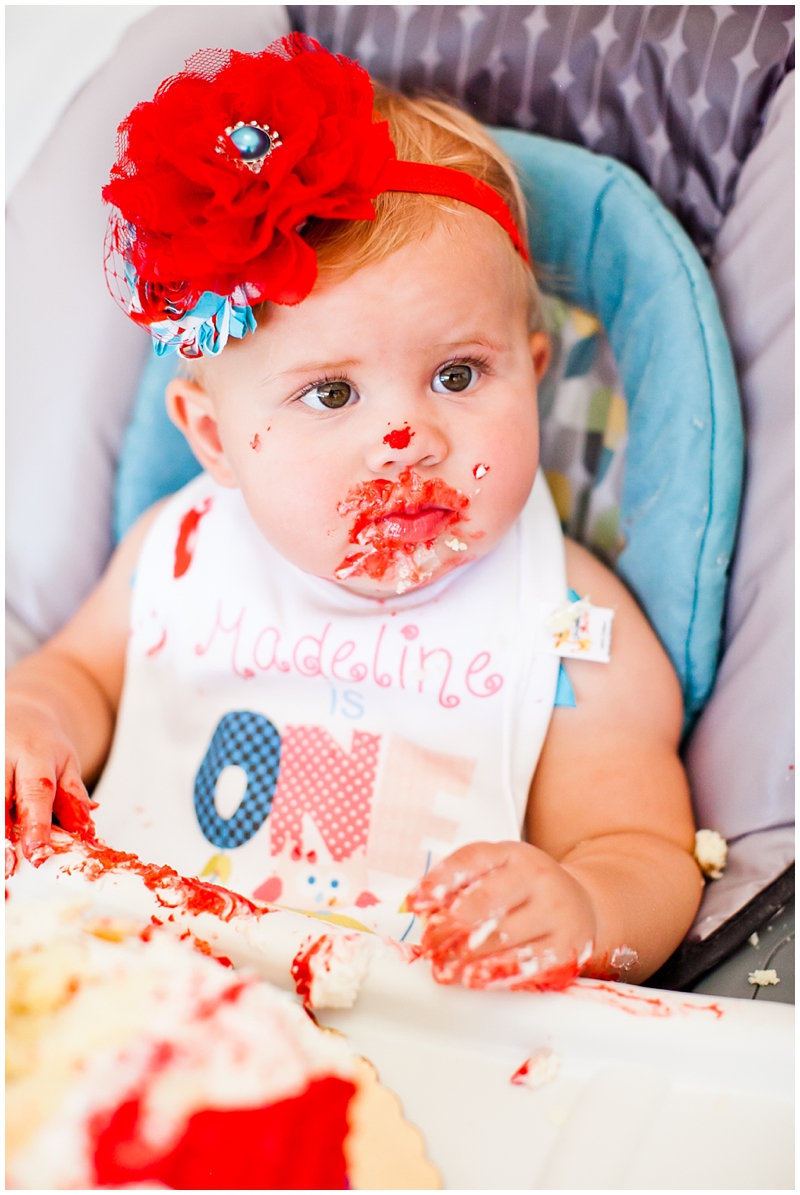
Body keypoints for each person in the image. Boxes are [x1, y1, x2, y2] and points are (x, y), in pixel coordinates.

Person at [5, 35, 702, 989]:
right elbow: (79, 676)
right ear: (212, 438)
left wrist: (588, 909)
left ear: (533, 379)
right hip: (122, 983)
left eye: (458, 375)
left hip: (424, 1043)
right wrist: (32, 718)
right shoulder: (178, 556)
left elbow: (644, 851)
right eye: (331, 395)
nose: (407, 436)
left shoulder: (575, 631)